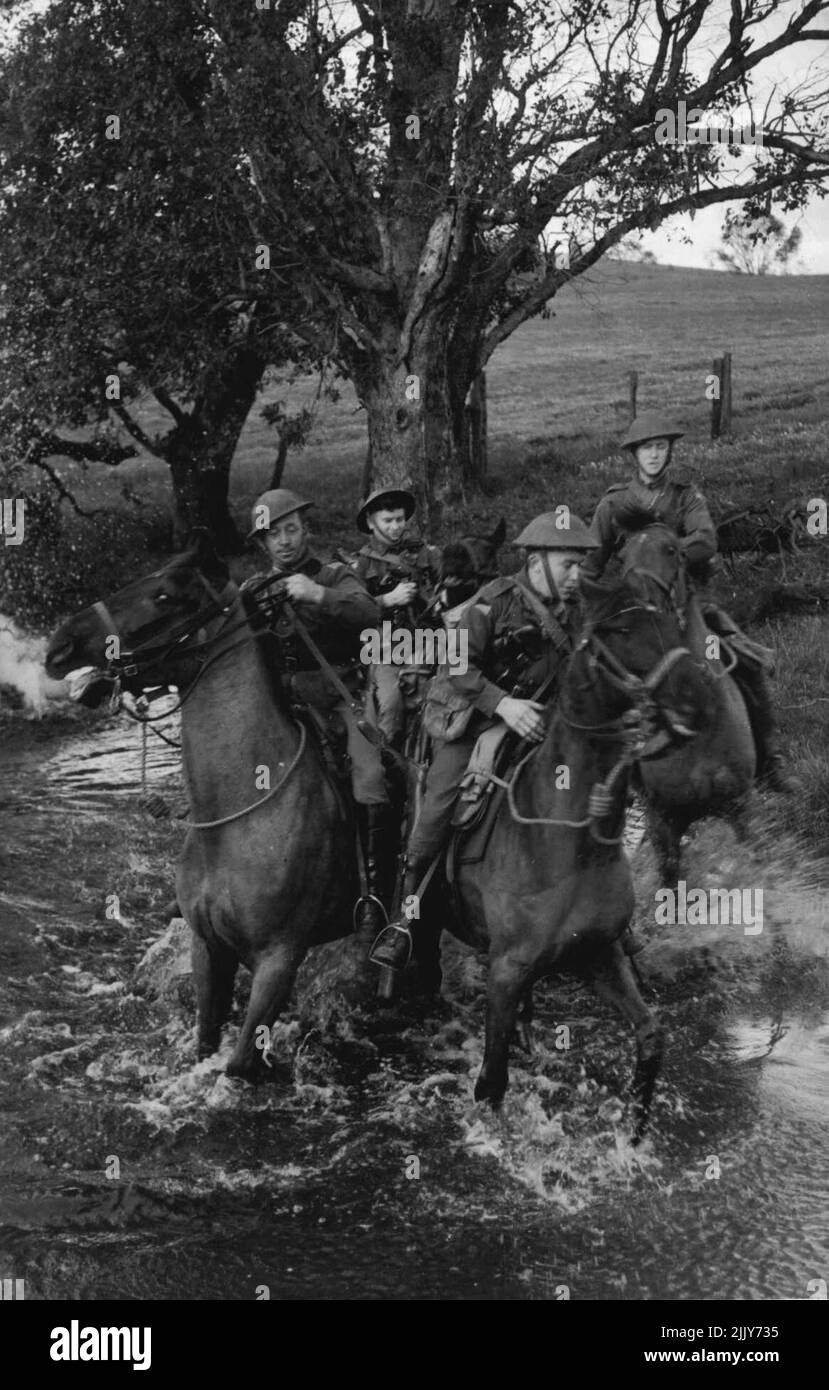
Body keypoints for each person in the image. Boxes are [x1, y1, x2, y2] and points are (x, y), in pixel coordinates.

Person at [369, 510, 600, 974]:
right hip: (474, 722)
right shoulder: (490, 604)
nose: (577, 576)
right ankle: (405, 918)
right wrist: (504, 706)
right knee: (439, 802)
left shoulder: (579, 611)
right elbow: (458, 667)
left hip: (544, 722)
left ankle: (601, 906)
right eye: (567, 565)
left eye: (581, 565)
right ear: (537, 563)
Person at [582, 410, 796, 793]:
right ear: (634, 454)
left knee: (744, 662)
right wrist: (595, 603)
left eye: (660, 447)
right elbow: (590, 565)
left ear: (669, 452)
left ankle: (769, 758)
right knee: (604, 678)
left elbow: (706, 540)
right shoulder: (614, 504)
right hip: (637, 612)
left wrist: (664, 552)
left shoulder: (685, 496)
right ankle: (607, 780)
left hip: (689, 605)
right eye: (647, 448)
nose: (654, 455)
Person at [245, 488, 397, 934]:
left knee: (371, 779)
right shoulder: (253, 591)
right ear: (262, 545)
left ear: (305, 531)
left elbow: (368, 611)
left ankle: (373, 894)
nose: (284, 541)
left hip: (337, 696)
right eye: (273, 535)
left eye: (291, 530)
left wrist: (315, 595)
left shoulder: (334, 575)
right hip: (279, 704)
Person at [347, 487, 442, 747]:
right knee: (391, 703)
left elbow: (445, 580)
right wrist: (388, 599)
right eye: (387, 521)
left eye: (400, 519)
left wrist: (437, 598)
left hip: (427, 640)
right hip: (384, 648)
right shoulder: (361, 565)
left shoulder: (425, 553)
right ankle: (388, 758)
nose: (395, 527)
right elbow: (351, 609)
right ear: (370, 522)